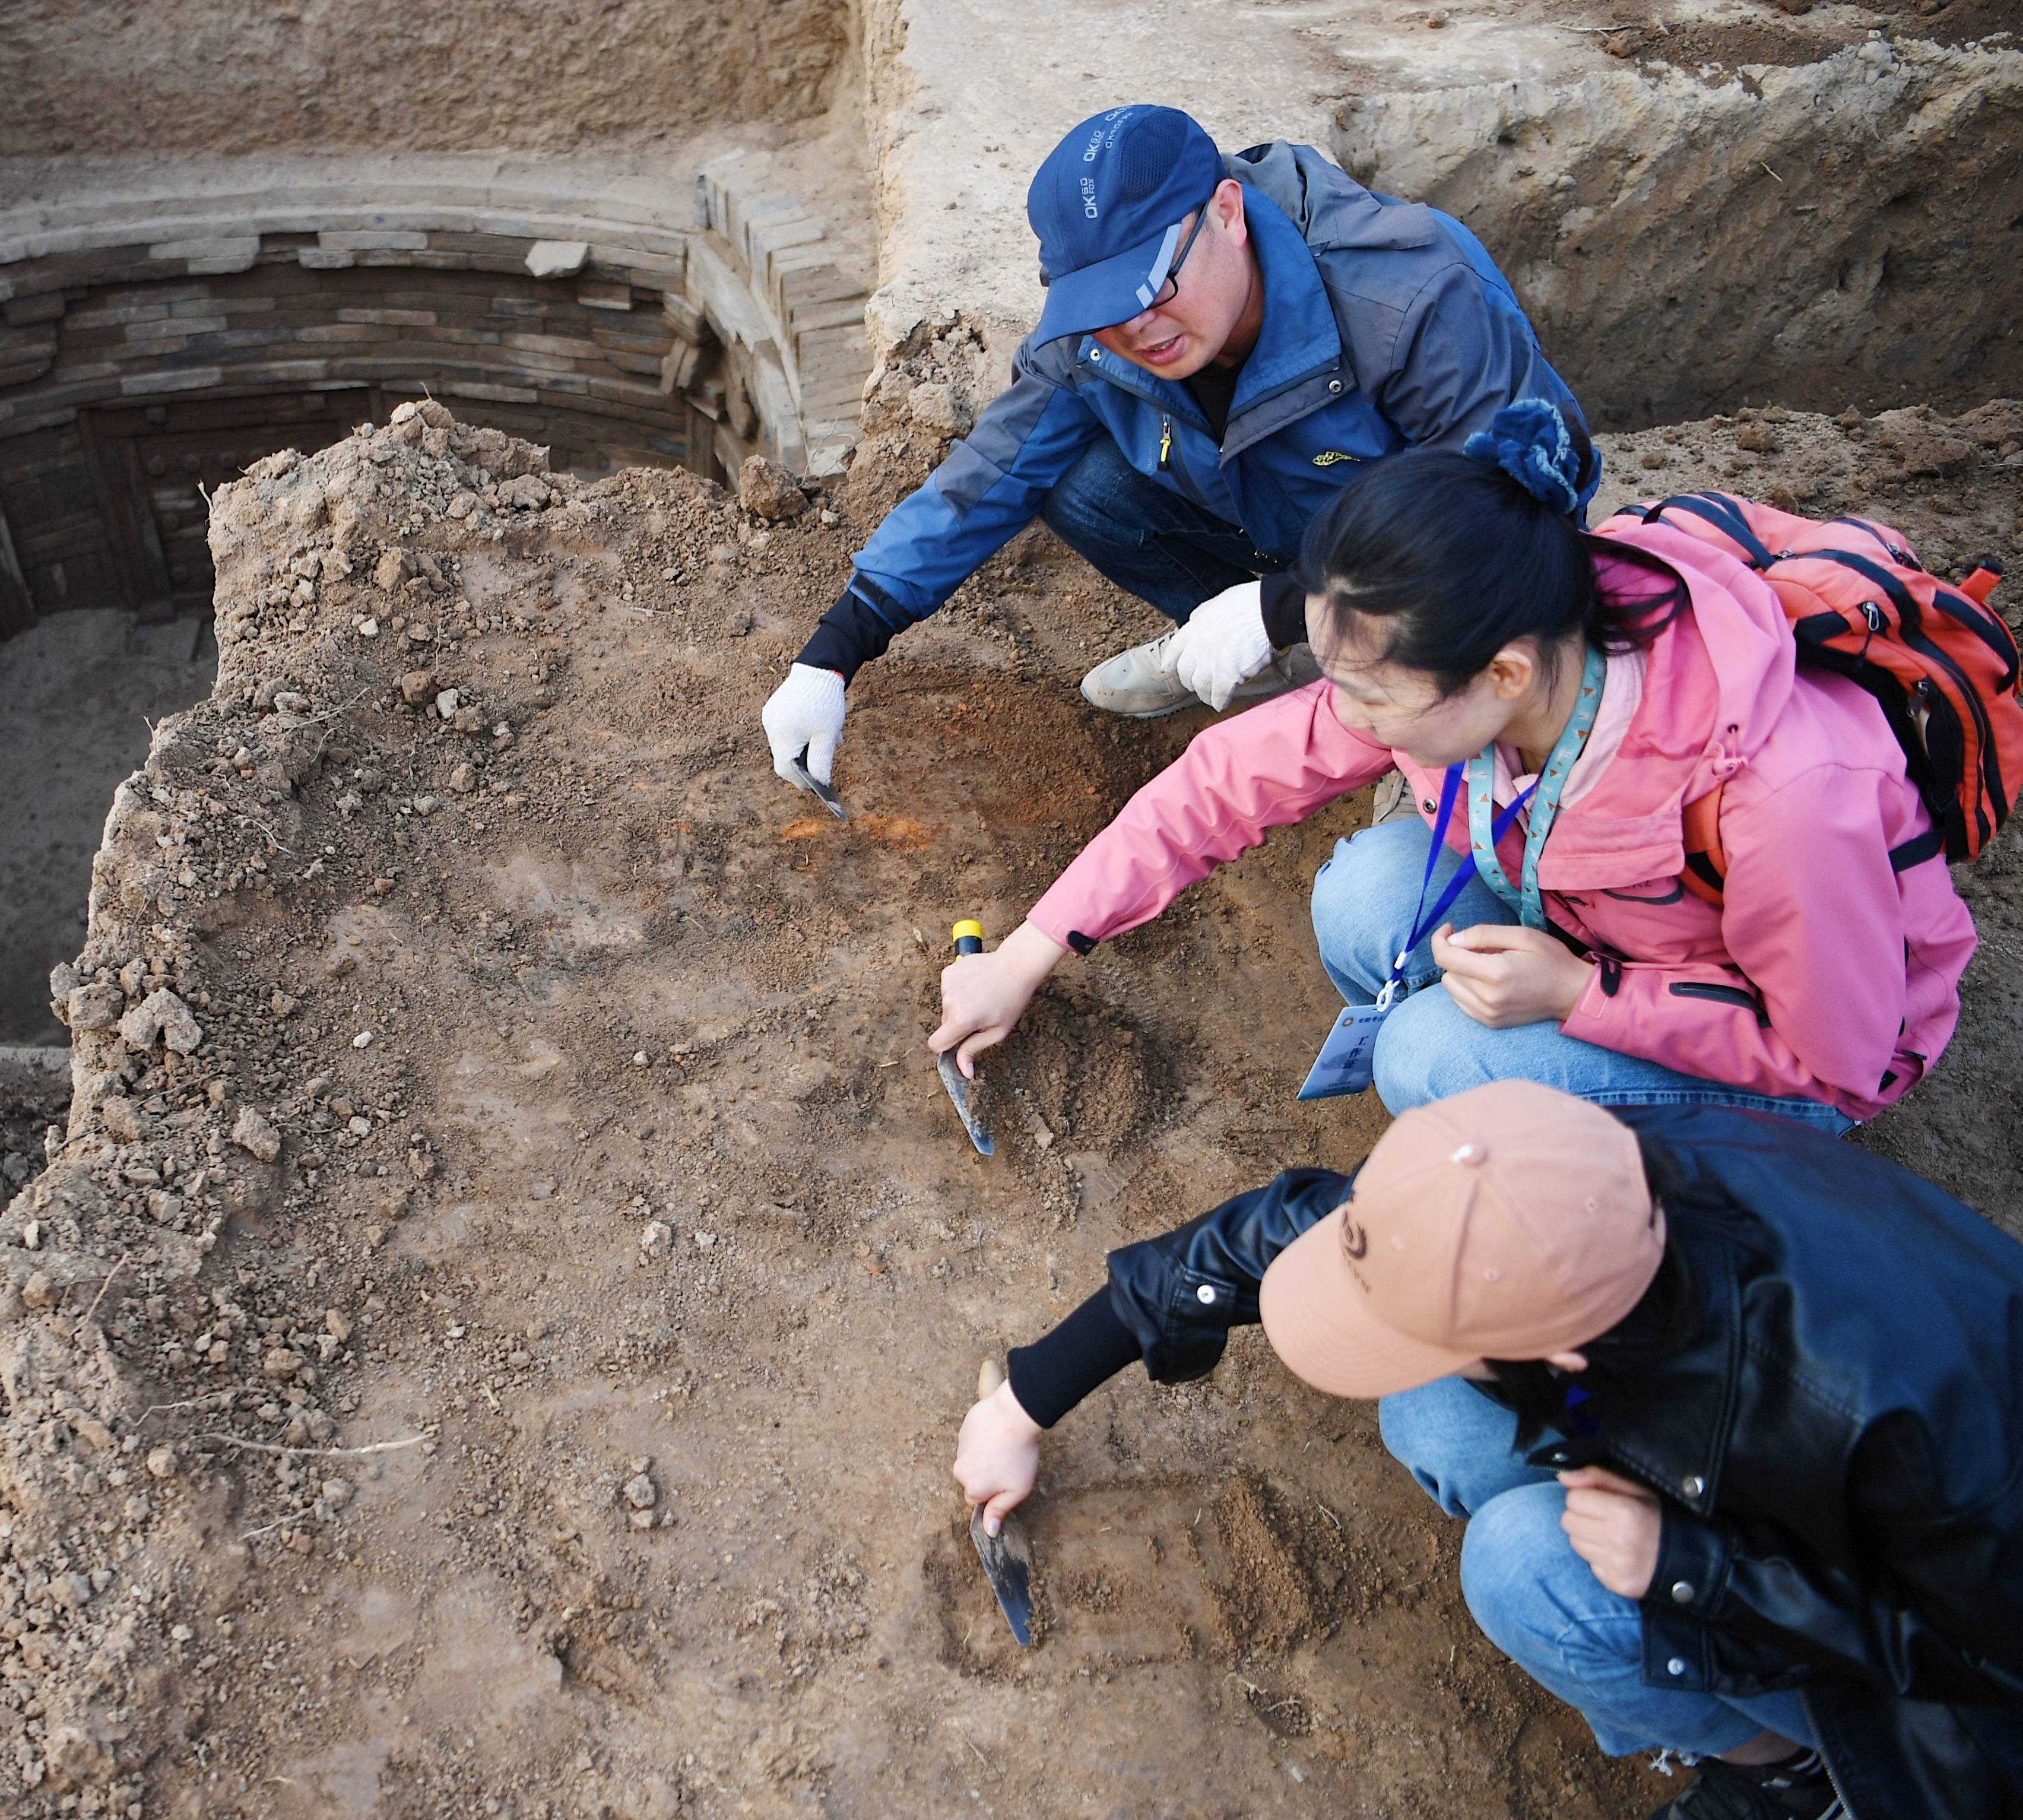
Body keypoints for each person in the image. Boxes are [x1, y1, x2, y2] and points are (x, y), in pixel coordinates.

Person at [953, 1080, 2023, 1818]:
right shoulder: (1546, 1185)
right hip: (1695, 1433)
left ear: (1560, 1344)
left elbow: (1987, 1663)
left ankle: (1798, 1772)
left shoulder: (1878, 1420)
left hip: (1950, 1669)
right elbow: (1281, 1233)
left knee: (1526, 1570)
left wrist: (1690, 1566)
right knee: (1434, 1412)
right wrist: (1029, 1398)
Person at [926, 404, 1976, 1130]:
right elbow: (1229, 776)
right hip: (1606, 924)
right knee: (1367, 897)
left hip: (1809, 1056)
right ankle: (1518, 1093)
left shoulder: (1790, 802)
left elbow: (1833, 1059)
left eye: (1371, 696)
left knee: (1431, 1057)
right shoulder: (1498, 628)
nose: (1346, 717)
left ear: (1504, 675)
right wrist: (1028, 950)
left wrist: (1580, 994)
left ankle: (1601, 1163)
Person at [762, 102, 1593, 797]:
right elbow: (985, 478)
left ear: (1227, 213)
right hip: (1286, 531)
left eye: (1153, 285)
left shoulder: (1406, 294)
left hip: (1437, 564)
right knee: (1075, 480)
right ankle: (1295, 670)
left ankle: (1374, 681)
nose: (1137, 329)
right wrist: (834, 653)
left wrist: (1289, 602)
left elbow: (1522, 499)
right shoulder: (1104, 334)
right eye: (1105, 305)